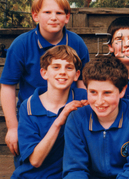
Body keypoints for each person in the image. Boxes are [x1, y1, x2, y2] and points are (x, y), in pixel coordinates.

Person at [0, 0, 89, 164]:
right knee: (32, 165)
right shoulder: (21, 44)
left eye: (59, 13)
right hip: (34, 118)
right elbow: (8, 86)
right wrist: (12, 127)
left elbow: (82, 83)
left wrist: (84, 111)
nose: (53, 17)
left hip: (68, 113)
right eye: (47, 12)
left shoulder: (77, 43)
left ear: (67, 17)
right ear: (35, 16)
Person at [63, 56, 129, 178]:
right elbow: (75, 169)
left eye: (107, 93)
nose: (99, 101)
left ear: (122, 91)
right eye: (93, 92)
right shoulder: (76, 119)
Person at [11, 45, 88, 178]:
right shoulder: (28, 107)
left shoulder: (83, 98)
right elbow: (35, 160)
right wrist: (60, 120)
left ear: (76, 75)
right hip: (32, 176)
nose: (62, 72)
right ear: (44, 73)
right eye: (56, 67)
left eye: (69, 67)